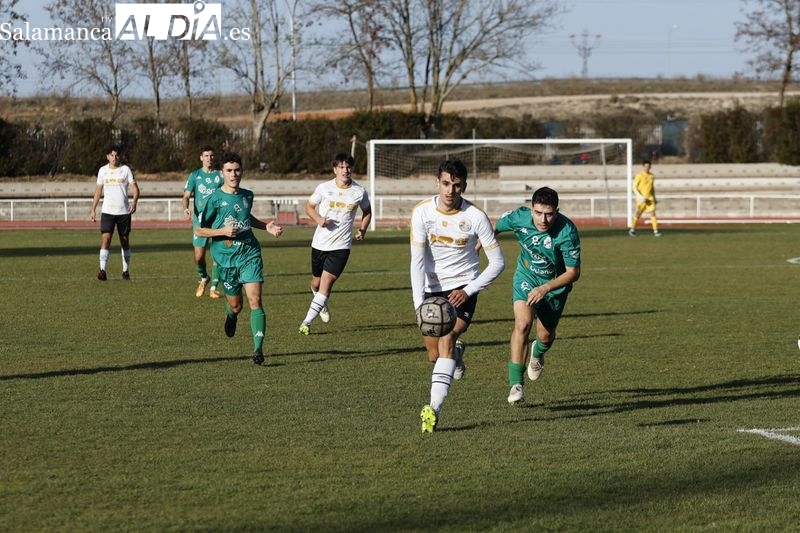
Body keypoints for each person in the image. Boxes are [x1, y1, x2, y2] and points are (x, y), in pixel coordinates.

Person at [410, 159, 505, 433]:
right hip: (431, 290)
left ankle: (433, 409)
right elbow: (416, 262)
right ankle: (457, 357)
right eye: (446, 183)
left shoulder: (475, 216)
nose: (451, 190)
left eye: (457, 185)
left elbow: (497, 262)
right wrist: (419, 305)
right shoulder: (421, 213)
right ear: (437, 183)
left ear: (464, 186)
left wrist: (468, 290)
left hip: (462, 288)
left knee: (447, 339)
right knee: (433, 355)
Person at [194, 152, 283, 365]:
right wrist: (222, 231)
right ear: (222, 173)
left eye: (237, 170)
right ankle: (231, 316)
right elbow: (200, 230)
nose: (234, 174)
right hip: (225, 260)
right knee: (236, 306)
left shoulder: (247, 195)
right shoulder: (213, 199)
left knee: (256, 300)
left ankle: (258, 350)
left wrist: (266, 227)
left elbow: (246, 217)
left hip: (249, 254)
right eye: (229, 171)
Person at [494, 186, 581, 405]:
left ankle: (538, 352)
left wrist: (545, 289)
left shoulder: (567, 231)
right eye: (538, 213)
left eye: (549, 213)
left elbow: (573, 273)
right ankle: (516, 384)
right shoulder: (519, 218)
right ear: (531, 209)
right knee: (522, 324)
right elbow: (493, 228)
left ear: (557, 211)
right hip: (527, 277)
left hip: (554, 288)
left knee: (546, 336)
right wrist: (478, 245)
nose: (543, 219)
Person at [298, 153, 372, 335]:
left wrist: (362, 229)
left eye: (348, 167)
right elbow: (308, 206)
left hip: (341, 247)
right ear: (335, 169)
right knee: (315, 283)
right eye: (341, 167)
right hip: (319, 244)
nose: (345, 170)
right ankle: (321, 303)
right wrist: (318, 219)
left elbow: (367, 211)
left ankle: (306, 322)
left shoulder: (359, 191)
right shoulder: (324, 188)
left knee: (327, 283)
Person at [90, 145, 139, 281]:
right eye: (111, 155)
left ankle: (125, 271)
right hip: (107, 211)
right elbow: (98, 191)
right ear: (107, 157)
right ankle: (103, 271)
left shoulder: (125, 170)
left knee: (124, 241)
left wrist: (134, 202)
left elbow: (135, 188)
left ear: (120, 156)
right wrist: (93, 209)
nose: (114, 157)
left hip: (124, 212)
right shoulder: (102, 171)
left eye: (117, 155)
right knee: (106, 239)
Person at [182, 145, 224, 298]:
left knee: (217, 254)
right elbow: (186, 195)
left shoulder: (221, 175)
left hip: (218, 219)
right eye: (206, 155)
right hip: (200, 220)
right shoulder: (195, 176)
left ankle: (213, 288)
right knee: (199, 257)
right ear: (201, 158)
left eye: (211, 155)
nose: (209, 158)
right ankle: (204, 278)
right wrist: (186, 208)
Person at [629, 160, 662, 237]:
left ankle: (656, 231)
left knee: (653, 213)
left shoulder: (652, 176)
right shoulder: (639, 175)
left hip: (650, 198)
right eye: (645, 166)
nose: (647, 168)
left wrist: (654, 197)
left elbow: (652, 188)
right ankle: (632, 230)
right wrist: (640, 196)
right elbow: (634, 187)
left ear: (650, 167)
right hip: (641, 199)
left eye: (648, 166)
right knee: (638, 214)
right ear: (643, 167)